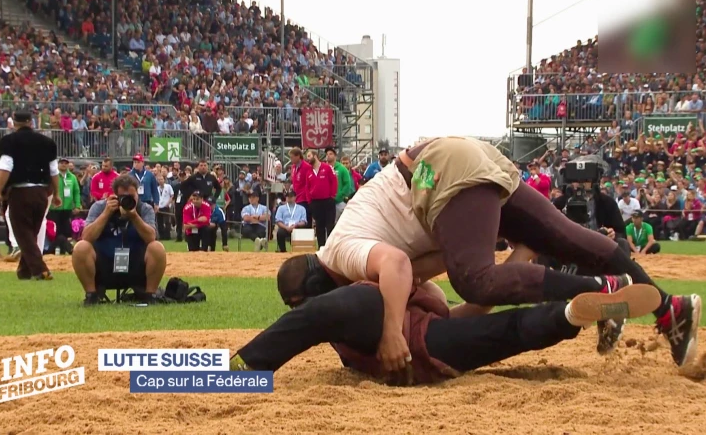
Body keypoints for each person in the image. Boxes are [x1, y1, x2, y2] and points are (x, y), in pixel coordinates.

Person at [280, 136, 701, 369]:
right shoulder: (359, 245)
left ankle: (602, 287)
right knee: (570, 239)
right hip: (460, 163)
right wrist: (519, 252)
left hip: (435, 172)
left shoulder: (339, 252)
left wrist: (392, 330)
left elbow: (395, 264)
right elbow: (429, 262)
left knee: (473, 278)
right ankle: (670, 309)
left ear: (319, 290)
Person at [230, 253, 662, 384]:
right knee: (507, 332)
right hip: (430, 342)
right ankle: (569, 313)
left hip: (410, 342)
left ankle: (246, 366)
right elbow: (456, 314)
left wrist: (390, 330)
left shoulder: (355, 296)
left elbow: (398, 269)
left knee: (502, 332)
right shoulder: (369, 292)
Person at [72, 175, 165, 306]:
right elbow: (86, 237)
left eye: (132, 196)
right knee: (81, 247)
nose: (127, 200)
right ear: (114, 195)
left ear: (137, 194)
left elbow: (151, 237)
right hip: (105, 264)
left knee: (157, 247)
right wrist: (106, 213)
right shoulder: (99, 207)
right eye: (123, 197)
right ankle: (91, 295)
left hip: (135, 264)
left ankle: (150, 295)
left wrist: (134, 216)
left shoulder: (144, 209)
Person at [0, 111, 60, 281]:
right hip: (41, 193)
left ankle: (40, 270)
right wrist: (57, 193)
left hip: (20, 191)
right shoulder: (47, 142)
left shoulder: (9, 141)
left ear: (14, 123)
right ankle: (24, 271)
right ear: (31, 122)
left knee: (23, 233)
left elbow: (6, 167)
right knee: (32, 232)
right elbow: (54, 171)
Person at [305, 149, 337, 248]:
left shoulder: (327, 168)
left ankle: (331, 247)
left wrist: (332, 195)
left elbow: (334, 181)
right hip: (315, 202)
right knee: (319, 226)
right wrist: (310, 201)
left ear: (315, 156)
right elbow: (307, 187)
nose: (308, 159)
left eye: (309, 156)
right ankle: (321, 248)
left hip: (327, 201)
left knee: (330, 226)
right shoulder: (309, 172)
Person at [48, 158, 81, 243]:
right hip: (54, 208)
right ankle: (54, 248)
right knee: (55, 230)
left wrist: (77, 205)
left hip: (67, 208)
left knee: (66, 231)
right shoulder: (53, 176)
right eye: (61, 163)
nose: (63, 164)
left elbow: (76, 192)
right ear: (57, 164)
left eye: (65, 163)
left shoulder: (72, 177)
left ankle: (65, 249)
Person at [325, 148, 354, 221]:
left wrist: (340, 195)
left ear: (335, 156)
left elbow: (347, 184)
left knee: (339, 223)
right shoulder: (323, 168)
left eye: (330, 154)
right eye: (327, 154)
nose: (328, 156)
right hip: (326, 202)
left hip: (339, 201)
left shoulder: (342, 169)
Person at [288, 147, 311, 226]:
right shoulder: (293, 167)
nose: (291, 159)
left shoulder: (306, 167)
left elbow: (308, 182)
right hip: (296, 197)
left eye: (292, 157)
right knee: (297, 218)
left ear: (298, 156)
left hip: (304, 197)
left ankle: (307, 235)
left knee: (305, 218)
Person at [156, 174, 174, 240]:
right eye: (159, 180)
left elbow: (172, 195)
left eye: (161, 179)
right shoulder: (157, 188)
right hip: (159, 206)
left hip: (166, 206)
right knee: (160, 222)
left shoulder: (168, 186)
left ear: (164, 180)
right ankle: (161, 236)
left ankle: (167, 236)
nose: (160, 181)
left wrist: (168, 203)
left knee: (167, 222)